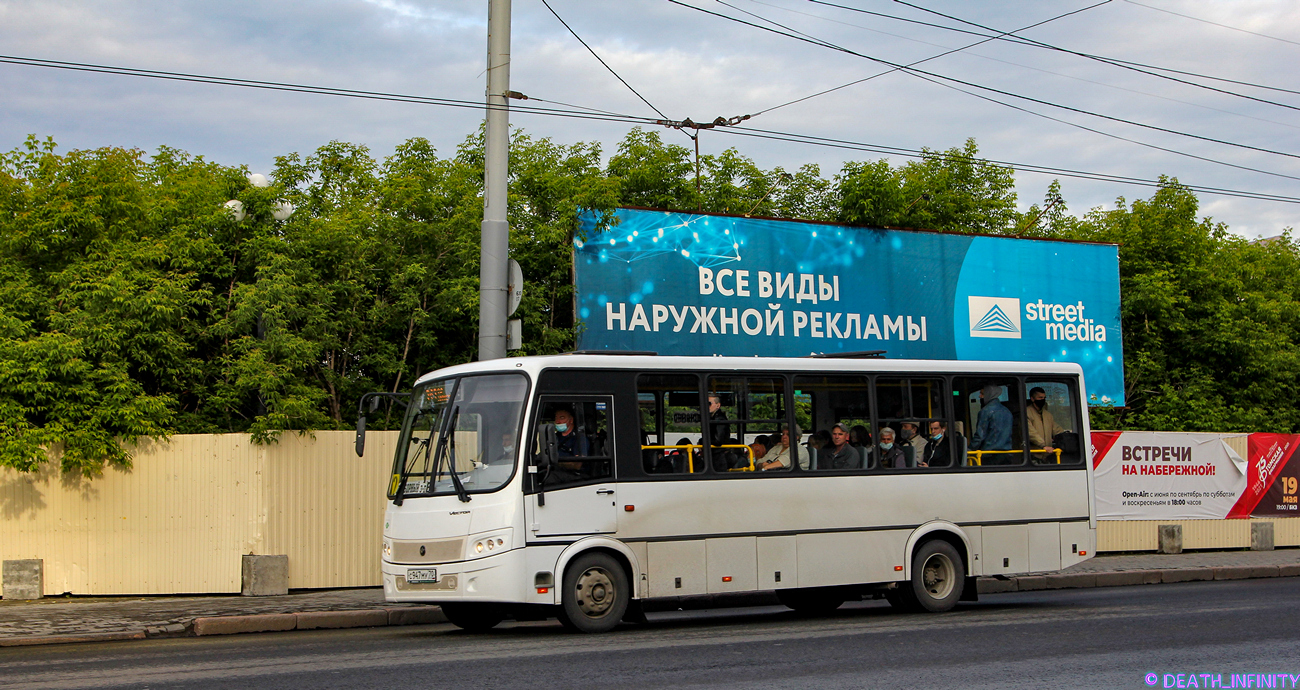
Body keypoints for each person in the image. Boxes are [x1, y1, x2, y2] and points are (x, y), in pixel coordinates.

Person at [970, 384, 1013, 461]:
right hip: (1007, 453)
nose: (979, 396)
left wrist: (970, 449)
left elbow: (980, 436)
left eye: (982, 394)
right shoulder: (1007, 411)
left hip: (990, 454)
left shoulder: (986, 411)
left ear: (989, 395)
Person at [1026, 387, 1066, 463]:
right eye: (1040, 397)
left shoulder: (1047, 415)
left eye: (1044, 398)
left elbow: (1056, 429)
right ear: (1032, 399)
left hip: (1047, 456)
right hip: (1032, 456)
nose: (1043, 400)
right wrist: (1043, 445)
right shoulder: (1026, 413)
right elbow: (1030, 433)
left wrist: (1066, 436)